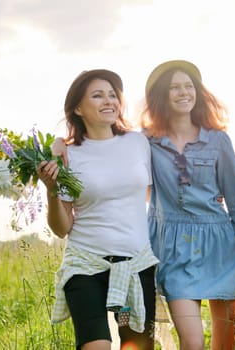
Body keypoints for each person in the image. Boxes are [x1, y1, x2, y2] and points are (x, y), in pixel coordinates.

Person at [141, 60, 235, 350]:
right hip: (173, 252)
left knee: (225, 344)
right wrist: (60, 144)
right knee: (193, 341)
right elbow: (111, 147)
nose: (184, 92)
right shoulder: (147, 142)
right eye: (174, 87)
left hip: (221, 249)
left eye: (188, 86)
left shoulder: (218, 141)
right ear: (162, 95)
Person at [37, 69, 158, 350]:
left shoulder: (138, 143)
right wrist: (51, 189)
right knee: (96, 346)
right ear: (78, 108)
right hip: (86, 267)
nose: (108, 101)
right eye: (97, 95)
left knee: (136, 344)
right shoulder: (68, 156)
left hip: (134, 267)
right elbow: (61, 228)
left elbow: (154, 193)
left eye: (113, 95)